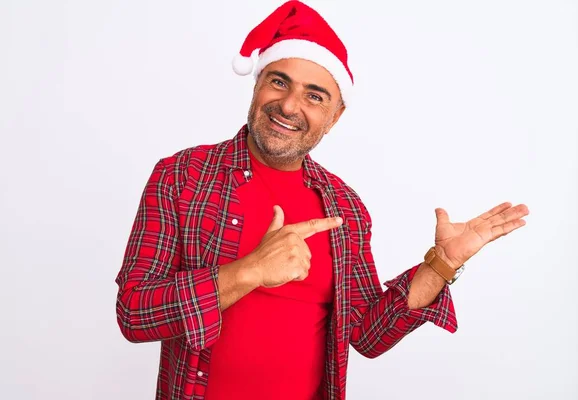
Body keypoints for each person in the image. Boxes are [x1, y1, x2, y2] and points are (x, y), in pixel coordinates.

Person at [114, 1, 529, 399]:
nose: (290, 105)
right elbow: (134, 313)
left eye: (315, 96)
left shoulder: (345, 208)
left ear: (335, 116)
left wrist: (440, 266)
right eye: (279, 81)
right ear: (257, 83)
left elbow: (368, 334)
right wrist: (249, 271)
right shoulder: (181, 176)